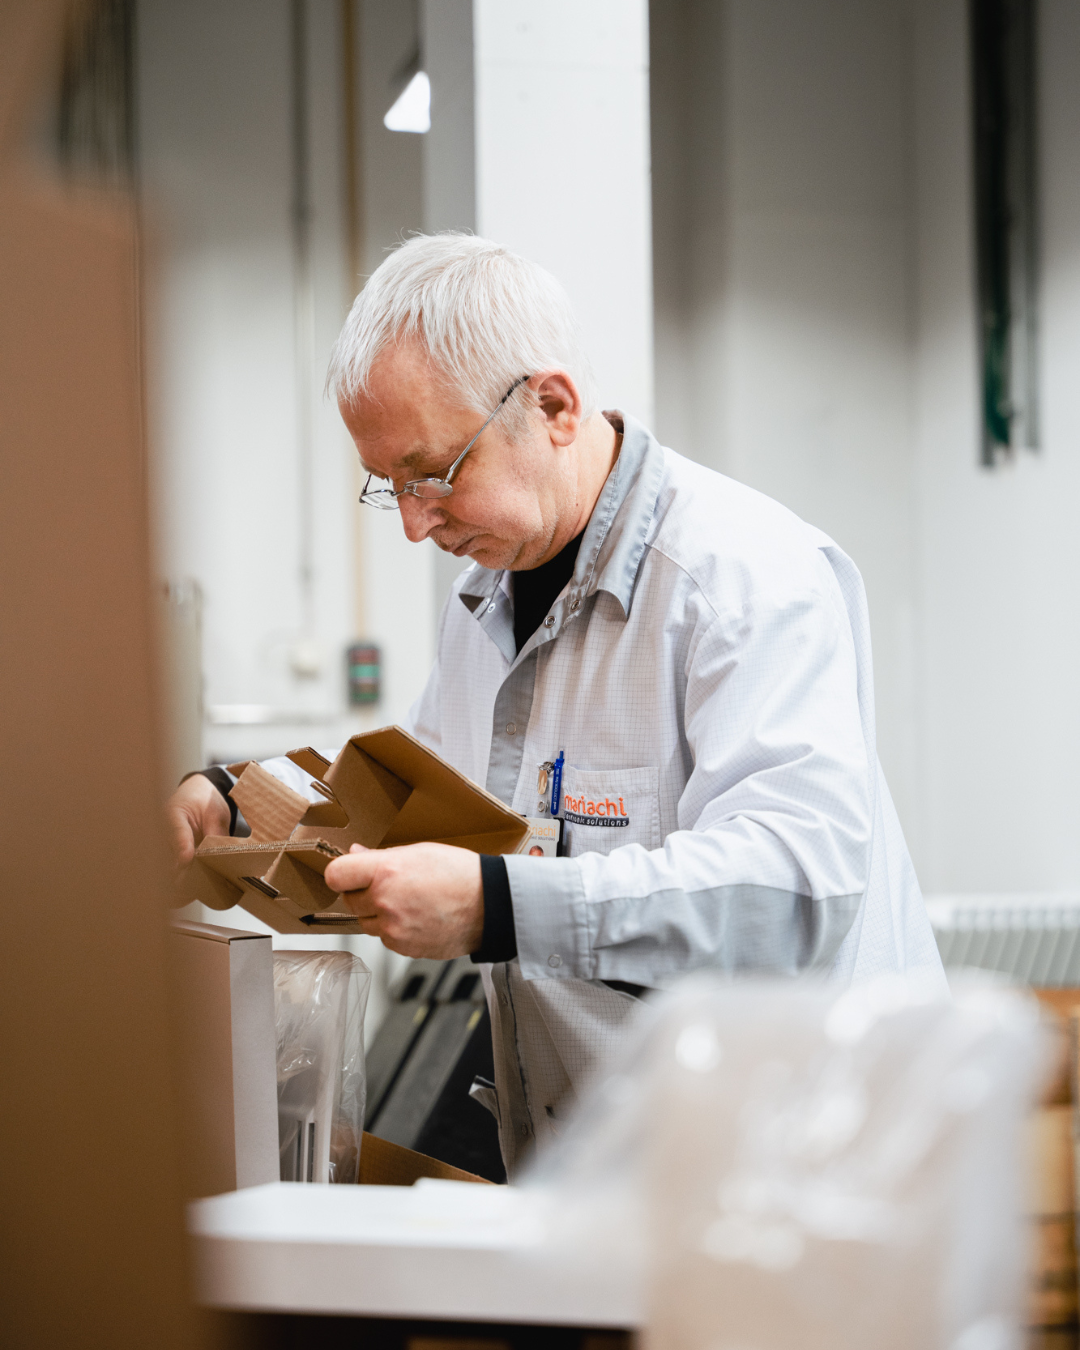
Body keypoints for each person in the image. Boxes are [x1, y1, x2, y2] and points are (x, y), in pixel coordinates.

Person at [168, 232, 945, 1174]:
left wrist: (498, 905)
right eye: (390, 488)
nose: (416, 524)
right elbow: (405, 791)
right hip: (612, 1177)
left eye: (434, 475)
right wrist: (240, 796)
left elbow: (791, 889)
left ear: (553, 406)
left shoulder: (741, 579)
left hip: (806, 1178)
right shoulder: (486, 598)